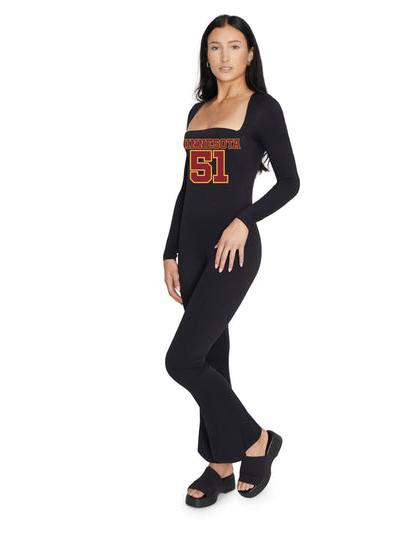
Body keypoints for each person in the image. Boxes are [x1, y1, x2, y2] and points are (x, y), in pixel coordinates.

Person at [163, 14, 300, 508]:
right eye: (215, 47)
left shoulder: (263, 108)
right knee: (210, 358)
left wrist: (245, 219)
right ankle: (221, 463)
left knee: (182, 361)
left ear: (250, 53)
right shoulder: (197, 111)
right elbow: (188, 188)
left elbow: (290, 182)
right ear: (206, 55)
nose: (224, 56)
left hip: (233, 251)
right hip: (193, 250)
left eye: (234, 46)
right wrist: (170, 250)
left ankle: (257, 440)